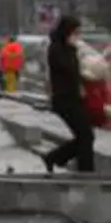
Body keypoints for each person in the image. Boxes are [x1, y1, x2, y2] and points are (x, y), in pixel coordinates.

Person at [42, 16, 95, 173]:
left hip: (74, 99)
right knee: (86, 136)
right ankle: (86, 172)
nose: (77, 36)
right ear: (67, 32)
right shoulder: (56, 49)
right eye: (75, 32)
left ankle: (54, 158)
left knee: (85, 136)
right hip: (64, 100)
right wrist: (74, 52)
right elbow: (70, 70)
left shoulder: (69, 48)